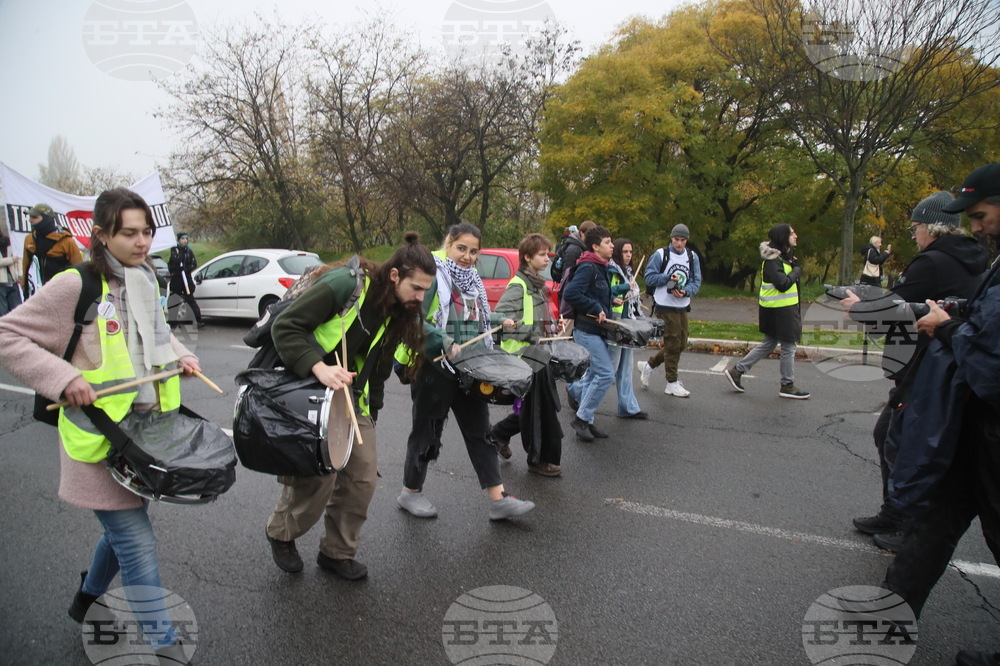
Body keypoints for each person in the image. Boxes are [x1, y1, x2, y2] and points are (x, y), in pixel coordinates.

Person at [0, 188, 201, 663]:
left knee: (123, 530)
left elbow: (157, 332)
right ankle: (160, 642)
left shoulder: (144, 280)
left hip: (140, 437)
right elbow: (7, 334)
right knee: (135, 541)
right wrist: (63, 376)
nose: (141, 242)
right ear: (103, 234)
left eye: (146, 232)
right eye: (129, 233)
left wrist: (181, 353)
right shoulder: (78, 285)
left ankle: (86, 600)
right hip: (96, 439)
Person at [862, 162, 1000, 666]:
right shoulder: (986, 259)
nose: (978, 225)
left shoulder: (933, 260)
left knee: (929, 512)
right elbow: (983, 316)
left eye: (982, 214)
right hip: (966, 422)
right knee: (929, 527)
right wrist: (955, 313)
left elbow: (991, 362)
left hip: (983, 422)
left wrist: (941, 325)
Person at [264, 232, 438, 579]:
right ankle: (281, 533)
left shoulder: (397, 308)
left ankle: (336, 553)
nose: (421, 298)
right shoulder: (345, 285)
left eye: (425, 290)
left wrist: (371, 409)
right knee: (317, 479)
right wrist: (319, 366)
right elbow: (286, 328)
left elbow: (379, 365)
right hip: (309, 390)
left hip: (352, 401)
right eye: (416, 288)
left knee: (361, 479)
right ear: (394, 276)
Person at [840, 191, 988, 546]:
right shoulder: (972, 259)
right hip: (939, 365)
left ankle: (905, 523)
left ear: (933, 228)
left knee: (901, 444)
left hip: (922, 366)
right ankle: (895, 514)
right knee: (895, 438)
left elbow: (900, 311)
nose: (913, 234)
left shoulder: (932, 261)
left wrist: (860, 308)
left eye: (916, 227)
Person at [397, 222, 535, 521]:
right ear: (448, 243)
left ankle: (498, 499)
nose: (468, 256)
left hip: (471, 365)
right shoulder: (433, 273)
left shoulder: (471, 278)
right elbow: (412, 318)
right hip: (435, 367)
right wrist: (442, 340)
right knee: (427, 431)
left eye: (474, 251)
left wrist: (498, 318)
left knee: (480, 432)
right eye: (462, 248)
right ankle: (410, 492)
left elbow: (473, 317)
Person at [490, 233, 565, 476]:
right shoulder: (518, 284)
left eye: (547, 254)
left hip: (537, 355)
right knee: (536, 411)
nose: (547, 259)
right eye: (542, 255)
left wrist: (554, 326)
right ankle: (538, 460)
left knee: (537, 408)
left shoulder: (537, 284)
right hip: (523, 358)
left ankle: (498, 433)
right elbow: (498, 317)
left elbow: (539, 319)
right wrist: (527, 332)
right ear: (527, 257)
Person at [724, 224, 810, 399]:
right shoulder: (773, 260)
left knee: (770, 343)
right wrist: (797, 271)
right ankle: (787, 385)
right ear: (783, 237)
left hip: (780, 310)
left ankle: (737, 371)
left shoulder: (784, 258)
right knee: (789, 346)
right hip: (780, 311)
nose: (796, 235)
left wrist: (793, 266)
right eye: (792, 233)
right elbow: (783, 284)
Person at [562, 224, 617, 442]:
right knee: (605, 373)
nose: (612, 245)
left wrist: (610, 301)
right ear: (595, 246)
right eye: (607, 242)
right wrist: (595, 308)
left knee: (595, 375)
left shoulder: (600, 266)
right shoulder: (588, 266)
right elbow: (572, 293)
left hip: (596, 330)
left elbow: (593, 293)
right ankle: (582, 418)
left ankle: (587, 420)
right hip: (586, 330)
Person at [638, 224, 702, 397]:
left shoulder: (692, 256)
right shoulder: (661, 255)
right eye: (676, 240)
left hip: (682, 303)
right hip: (665, 304)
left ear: (687, 240)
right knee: (673, 342)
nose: (679, 243)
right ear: (671, 238)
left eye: (682, 240)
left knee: (681, 343)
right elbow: (649, 277)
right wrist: (667, 278)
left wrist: (686, 291)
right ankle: (671, 382)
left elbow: (696, 281)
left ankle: (649, 365)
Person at [590, 237, 646, 419]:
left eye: (631, 252)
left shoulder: (627, 271)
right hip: (615, 322)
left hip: (627, 322)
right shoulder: (611, 270)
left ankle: (628, 407)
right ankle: (576, 392)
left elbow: (632, 294)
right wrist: (624, 288)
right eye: (625, 252)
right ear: (617, 252)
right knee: (609, 369)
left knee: (626, 368)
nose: (629, 255)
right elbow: (606, 291)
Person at [21, 202, 83, 299]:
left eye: (34, 217)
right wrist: (25, 291)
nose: (30, 220)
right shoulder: (29, 239)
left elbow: (79, 270)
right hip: (37, 295)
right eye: (30, 216)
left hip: (62, 294)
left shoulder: (66, 241)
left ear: (46, 219)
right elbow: (25, 267)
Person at [167, 232, 205, 329]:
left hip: (186, 279)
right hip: (177, 279)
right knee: (174, 299)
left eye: (186, 239)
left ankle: (198, 320)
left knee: (190, 299)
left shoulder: (188, 251)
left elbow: (194, 264)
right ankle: (173, 321)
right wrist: (178, 266)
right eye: (183, 239)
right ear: (179, 240)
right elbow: (174, 260)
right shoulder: (175, 250)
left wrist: (186, 269)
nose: (185, 241)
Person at [0, 230, 22, 315]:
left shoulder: (9, 242)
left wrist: (20, 275)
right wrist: (12, 259)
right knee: (3, 313)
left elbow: (19, 258)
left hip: (13, 281)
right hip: (1, 283)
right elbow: (15, 258)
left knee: (17, 311)